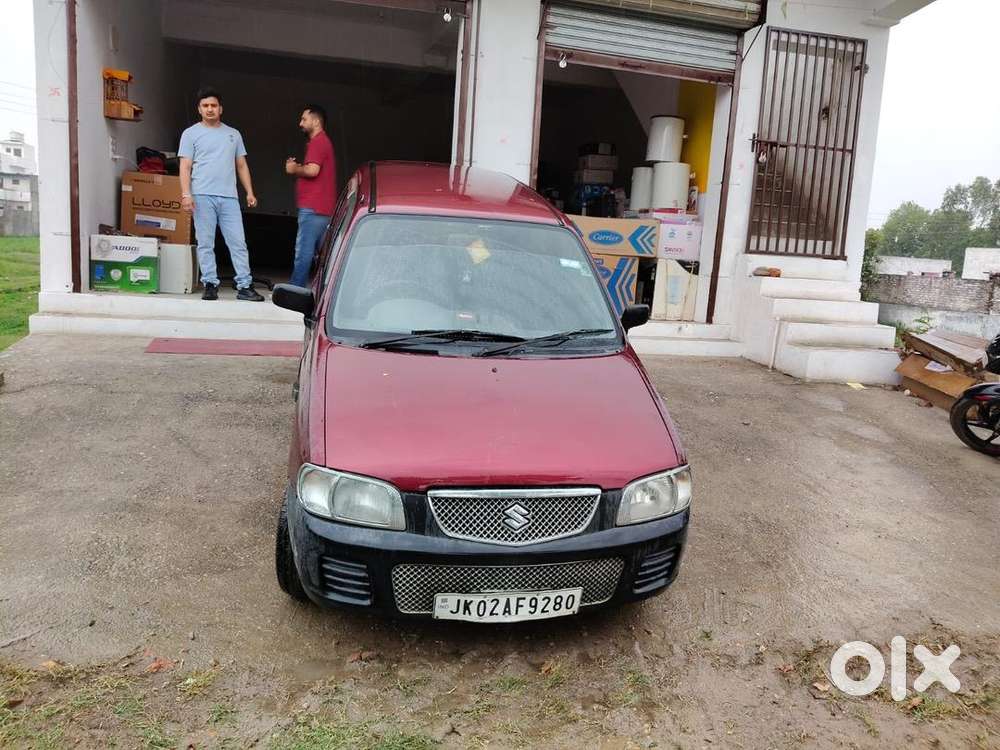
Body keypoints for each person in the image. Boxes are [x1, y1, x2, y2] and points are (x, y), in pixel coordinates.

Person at [178, 87, 264, 301]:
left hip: (229, 197)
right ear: (199, 109)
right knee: (205, 242)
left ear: (220, 109)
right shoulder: (190, 134)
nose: (210, 109)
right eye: (205, 105)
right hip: (202, 195)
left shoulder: (233, 134)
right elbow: (185, 166)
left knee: (238, 243)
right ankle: (210, 284)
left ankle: (244, 286)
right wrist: (186, 194)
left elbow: (241, 165)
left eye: (213, 105)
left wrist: (250, 192)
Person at [285, 104, 337, 288]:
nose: (300, 123)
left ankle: (295, 290)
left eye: (304, 119)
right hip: (323, 208)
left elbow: (313, 170)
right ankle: (325, 290)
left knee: (304, 252)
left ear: (316, 122)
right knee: (323, 256)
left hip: (313, 208)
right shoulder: (324, 142)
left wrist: (294, 169)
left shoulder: (318, 142)